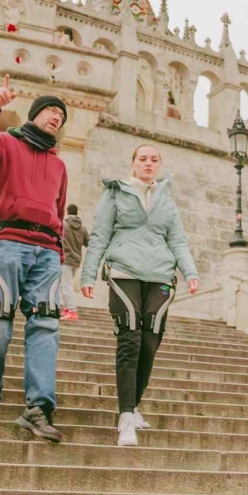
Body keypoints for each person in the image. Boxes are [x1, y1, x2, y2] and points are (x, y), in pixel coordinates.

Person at [0, 75, 69, 442]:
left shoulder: (59, 166)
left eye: (61, 115)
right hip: (6, 241)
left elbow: (58, 211)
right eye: (51, 111)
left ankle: (38, 408)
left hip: (47, 252)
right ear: (36, 113)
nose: (56, 117)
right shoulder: (5, 144)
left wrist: (59, 254)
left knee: (46, 327)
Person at [79, 144, 200, 448]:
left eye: (154, 159)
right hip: (124, 272)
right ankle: (125, 416)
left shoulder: (166, 198)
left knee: (150, 341)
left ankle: (133, 407)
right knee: (130, 339)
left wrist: (191, 271)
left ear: (158, 165)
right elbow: (100, 235)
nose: (148, 163)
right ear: (132, 164)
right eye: (142, 159)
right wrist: (88, 273)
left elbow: (178, 240)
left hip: (160, 275)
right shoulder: (116, 193)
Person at [60, 203, 89, 305]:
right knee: (63, 283)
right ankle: (65, 306)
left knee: (66, 284)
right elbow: (89, 244)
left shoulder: (63, 225)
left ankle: (71, 309)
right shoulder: (83, 229)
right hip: (76, 261)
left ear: (67, 211)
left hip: (66, 259)